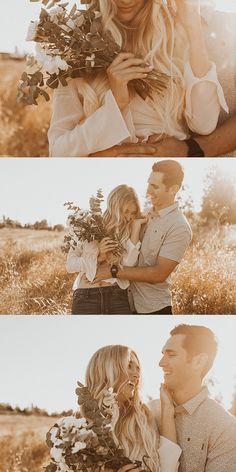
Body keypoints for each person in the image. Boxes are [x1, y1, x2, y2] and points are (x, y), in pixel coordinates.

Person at [48, 0, 227, 157]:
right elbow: (58, 151)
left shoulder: (174, 38)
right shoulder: (75, 50)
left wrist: (192, 25)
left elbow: (205, 124)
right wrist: (117, 104)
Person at [94, 160, 192, 314]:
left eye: (155, 187)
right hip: (124, 302)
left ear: (173, 189)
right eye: (148, 184)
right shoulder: (140, 215)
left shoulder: (179, 226)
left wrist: (112, 271)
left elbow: (159, 273)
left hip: (153, 308)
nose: (147, 191)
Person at [149, 324, 236, 472]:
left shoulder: (226, 428)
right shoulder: (146, 412)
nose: (161, 363)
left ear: (199, 362)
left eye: (171, 355)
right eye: (163, 354)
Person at [83, 345, 181, 471]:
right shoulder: (75, 430)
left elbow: (168, 467)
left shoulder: (143, 420)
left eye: (138, 369)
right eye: (129, 366)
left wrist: (167, 409)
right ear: (106, 370)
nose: (136, 375)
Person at [66, 185, 146, 314]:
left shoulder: (129, 230)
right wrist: (98, 258)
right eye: (126, 211)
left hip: (117, 297)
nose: (129, 217)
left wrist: (136, 227)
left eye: (133, 213)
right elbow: (70, 265)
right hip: (86, 297)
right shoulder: (86, 225)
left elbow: (129, 265)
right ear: (114, 206)